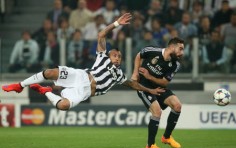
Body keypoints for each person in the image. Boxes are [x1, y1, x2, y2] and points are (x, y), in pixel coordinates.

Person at [2, 13, 164, 111]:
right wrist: (115, 24)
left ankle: (45, 91)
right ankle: (20, 85)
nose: (117, 57)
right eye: (115, 55)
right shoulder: (102, 57)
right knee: (50, 72)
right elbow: (101, 35)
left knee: (63, 106)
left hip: (84, 92)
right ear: (109, 56)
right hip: (81, 76)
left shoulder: (119, 75)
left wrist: (150, 91)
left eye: (119, 57)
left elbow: (133, 84)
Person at [131, 37, 185, 148]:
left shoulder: (175, 64)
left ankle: (166, 137)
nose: (182, 53)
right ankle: (150, 146)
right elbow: (138, 56)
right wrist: (135, 73)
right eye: (180, 49)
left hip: (159, 87)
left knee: (177, 106)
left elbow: (165, 82)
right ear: (172, 46)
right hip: (143, 87)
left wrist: (149, 76)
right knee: (157, 112)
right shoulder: (152, 50)